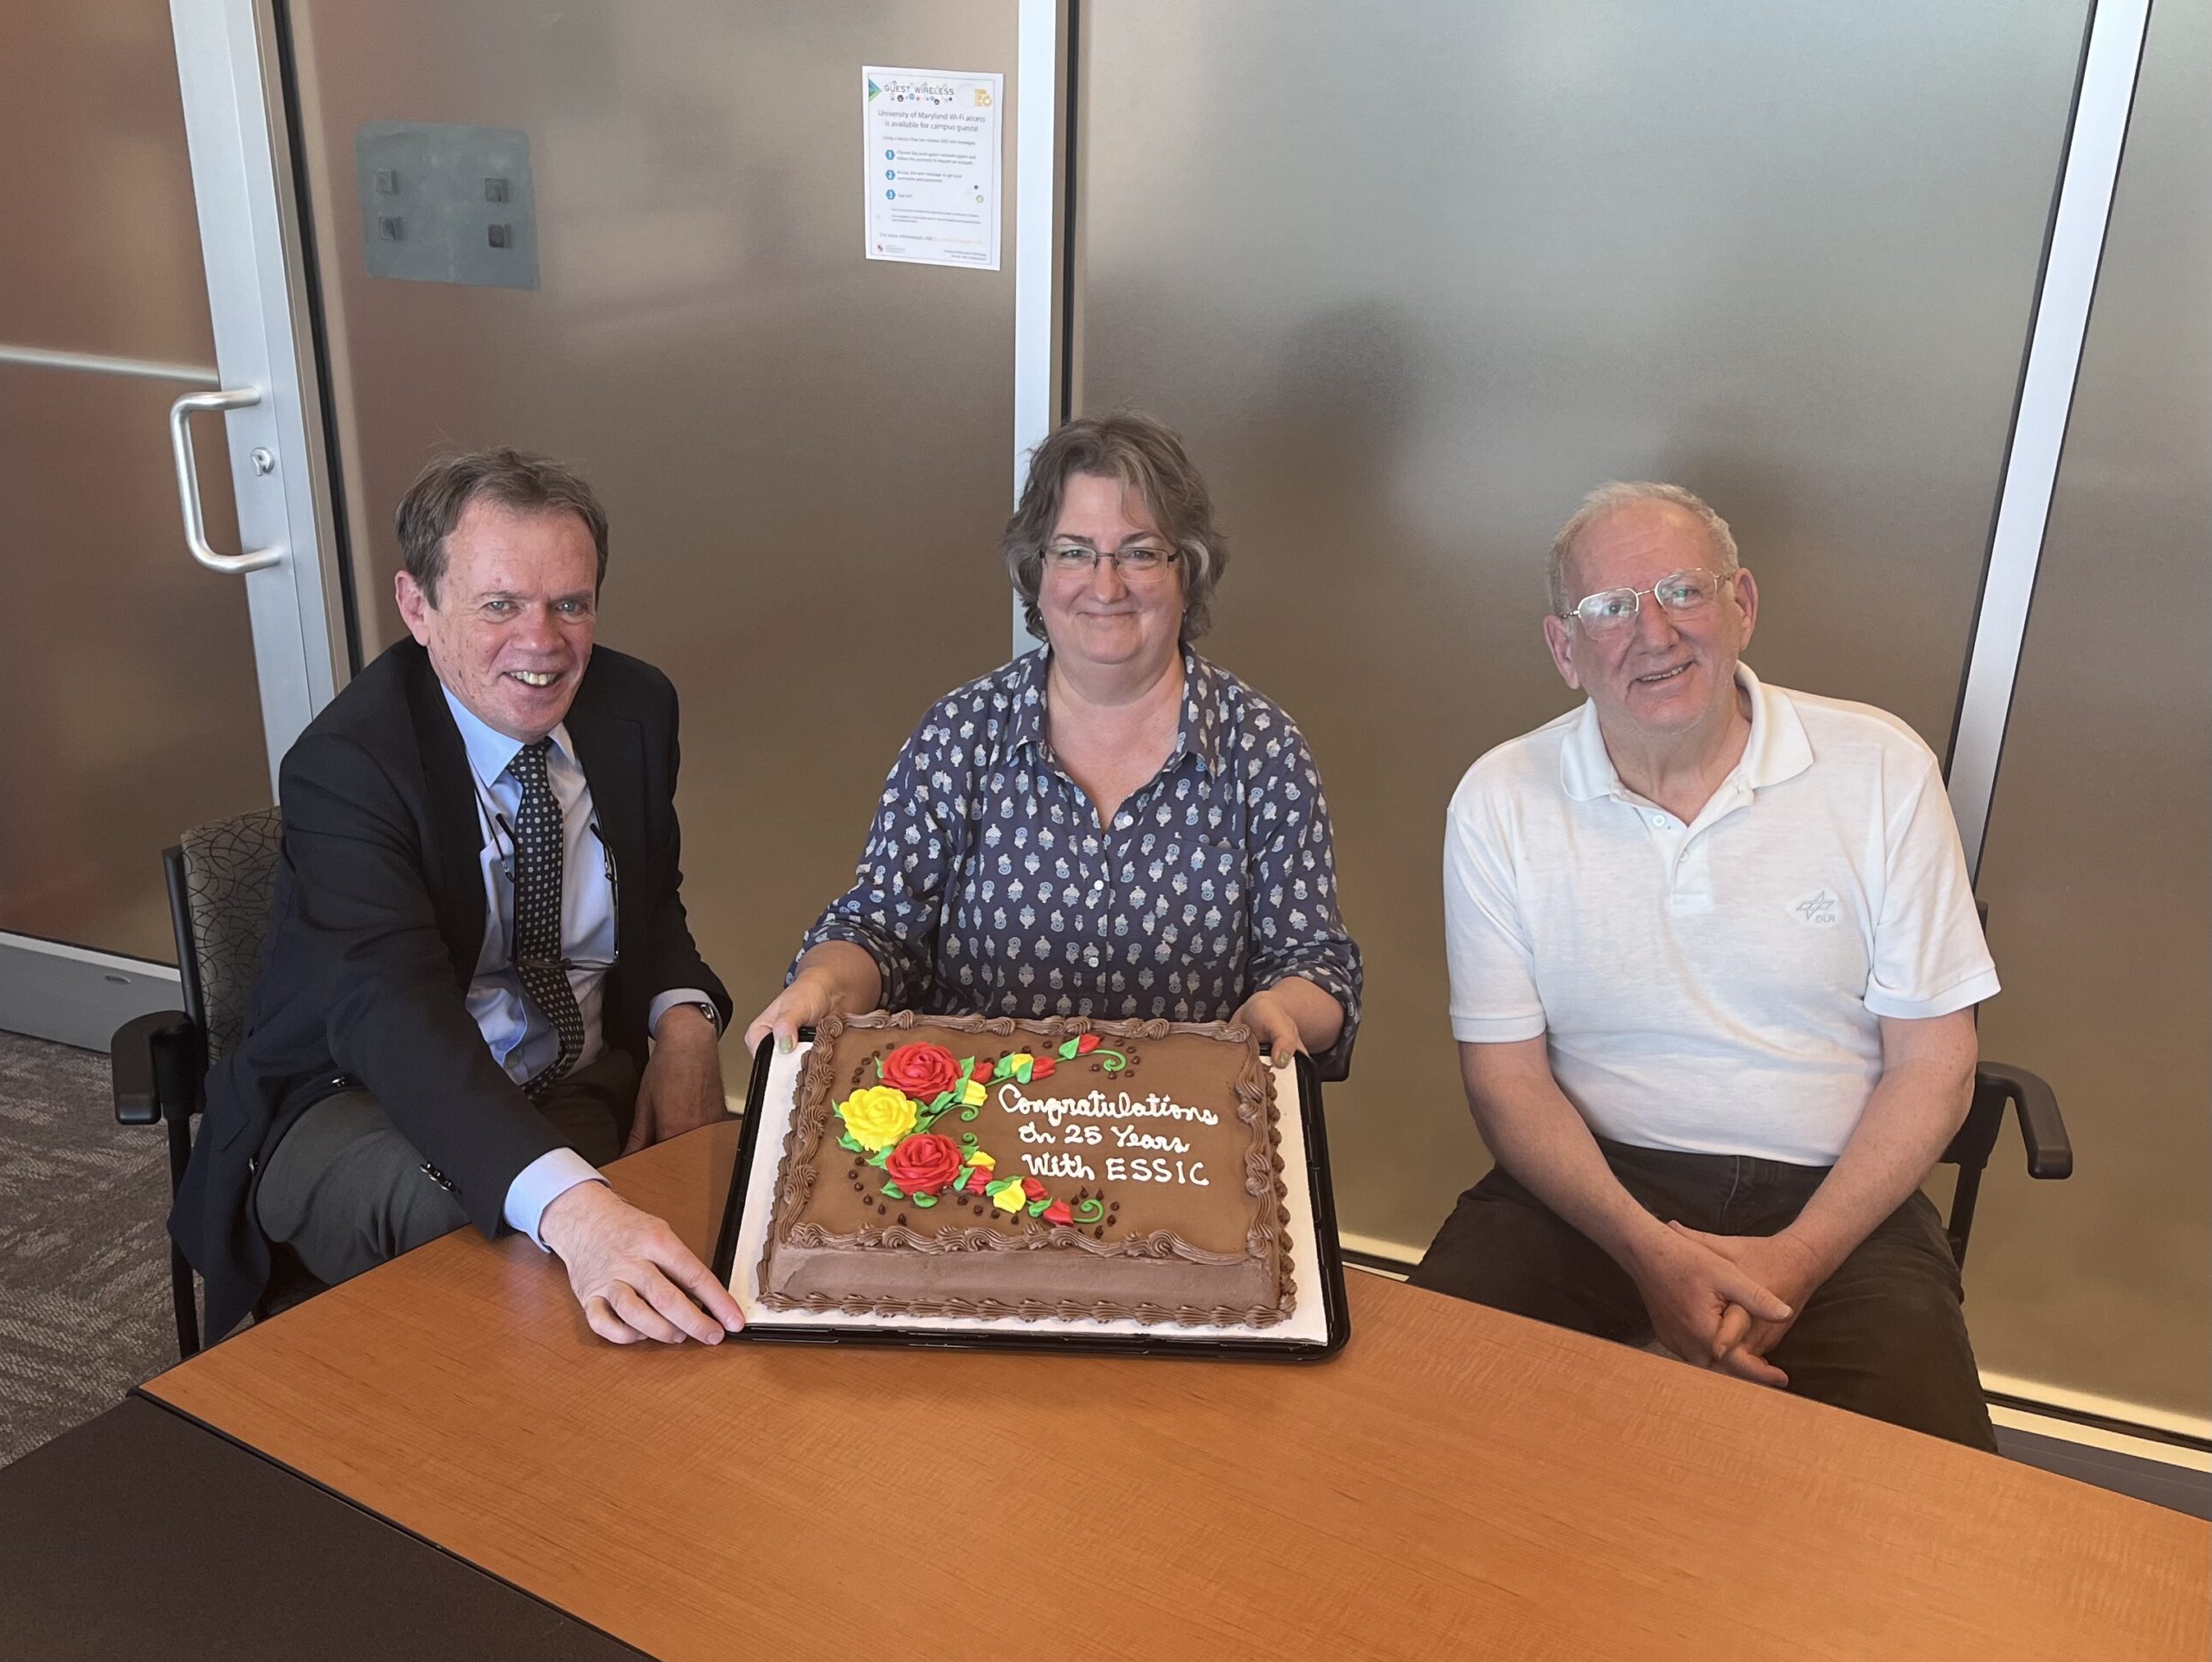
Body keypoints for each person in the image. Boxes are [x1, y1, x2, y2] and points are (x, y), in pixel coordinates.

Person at [1411, 480, 2001, 1449]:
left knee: (1935, 1507)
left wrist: (1799, 1257)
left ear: (1742, 607)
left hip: (1835, 1196)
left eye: (1683, 591)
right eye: (1609, 609)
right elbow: (1505, 1081)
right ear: (1565, 649)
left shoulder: (1879, 768)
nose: (1653, 634)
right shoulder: (1500, 798)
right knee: (1405, 1420)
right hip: (1590, 1191)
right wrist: (1648, 1253)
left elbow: (1935, 1061)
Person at [170, 449, 744, 1350]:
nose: (543, 643)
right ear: (417, 607)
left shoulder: (634, 707)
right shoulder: (349, 767)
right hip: (361, 1099)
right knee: (528, 1265)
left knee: (725, 1220)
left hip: (566, 1080)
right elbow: (394, 1022)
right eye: (499, 604)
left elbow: (653, 903)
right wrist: (578, 1211)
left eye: (570, 603)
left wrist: (684, 1023)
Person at [747, 411, 1362, 1072]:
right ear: (1037, 571)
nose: (1106, 586)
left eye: (1140, 552)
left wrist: (1283, 1010)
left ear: (1190, 570)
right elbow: (878, 931)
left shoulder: (1263, 749)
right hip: (974, 1134)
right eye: (1074, 551)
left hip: (1189, 1139)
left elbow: (1314, 965)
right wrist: (821, 987)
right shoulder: (961, 733)